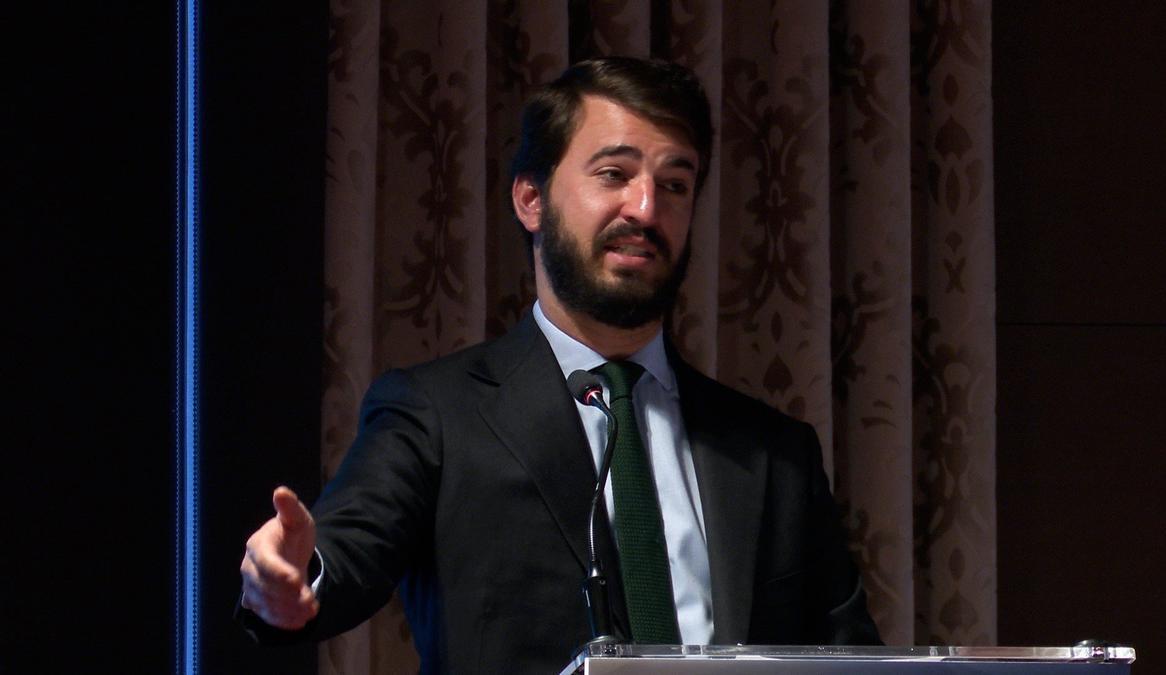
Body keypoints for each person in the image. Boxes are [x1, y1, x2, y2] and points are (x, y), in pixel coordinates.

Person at [238, 56, 880, 673]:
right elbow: (347, 551)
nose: (646, 209)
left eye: (675, 185)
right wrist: (293, 579)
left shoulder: (775, 453)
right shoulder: (436, 413)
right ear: (530, 199)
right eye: (613, 174)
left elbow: (856, 662)